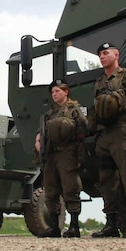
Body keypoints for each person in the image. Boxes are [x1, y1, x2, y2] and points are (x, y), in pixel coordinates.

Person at [87, 42, 126, 238]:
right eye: (99, 54)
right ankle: (111, 224)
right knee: (107, 180)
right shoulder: (99, 82)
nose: (102, 56)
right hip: (103, 134)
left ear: (116, 55)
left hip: (122, 133)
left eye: (106, 53)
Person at [36, 80, 87, 238]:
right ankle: (54, 226)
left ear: (66, 92)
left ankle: (73, 225)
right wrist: (38, 140)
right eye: (52, 92)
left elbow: (84, 128)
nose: (55, 94)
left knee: (70, 188)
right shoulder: (50, 113)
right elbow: (41, 131)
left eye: (57, 91)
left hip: (67, 153)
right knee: (51, 190)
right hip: (51, 154)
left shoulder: (74, 109)